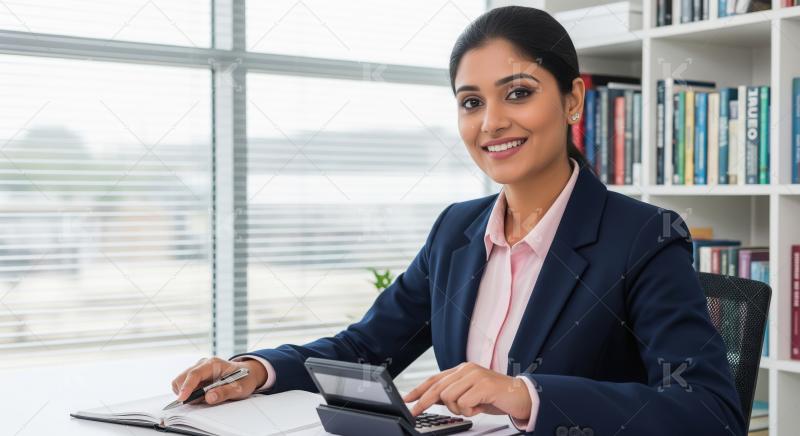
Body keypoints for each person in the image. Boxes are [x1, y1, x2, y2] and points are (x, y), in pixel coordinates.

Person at [170, 6, 745, 435]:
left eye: (517, 93)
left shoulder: (643, 236)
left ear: (572, 101)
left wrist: (527, 396)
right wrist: (256, 370)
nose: (491, 122)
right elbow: (367, 347)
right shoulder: (457, 231)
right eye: (471, 102)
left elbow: (709, 411)